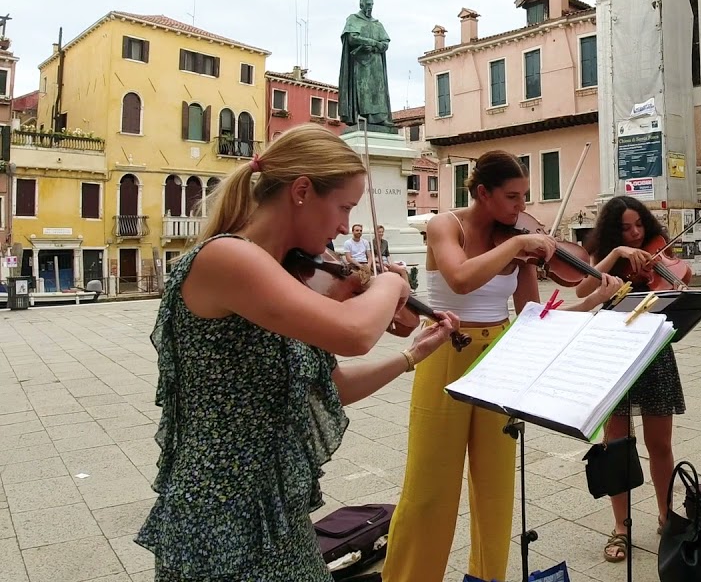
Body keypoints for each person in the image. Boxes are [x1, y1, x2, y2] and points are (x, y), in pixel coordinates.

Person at [134, 124, 462, 582]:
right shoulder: (226, 258)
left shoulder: (284, 275)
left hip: (275, 511)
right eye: (344, 207)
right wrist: (390, 283)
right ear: (302, 191)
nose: (346, 227)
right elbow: (353, 333)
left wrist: (410, 357)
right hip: (217, 517)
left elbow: (331, 386)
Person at [381, 151, 624, 582]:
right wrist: (515, 245)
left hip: (500, 356)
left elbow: (533, 313)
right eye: (512, 197)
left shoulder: (517, 242)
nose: (521, 209)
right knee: (429, 490)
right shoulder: (445, 226)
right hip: (444, 355)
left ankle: (487, 577)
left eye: (524, 197)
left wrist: (592, 300)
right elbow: (459, 278)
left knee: (495, 490)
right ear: (481, 193)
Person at [575, 196, 699, 563]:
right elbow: (582, 290)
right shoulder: (606, 260)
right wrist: (617, 253)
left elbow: (673, 293)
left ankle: (666, 516)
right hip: (613, 355)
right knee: (617, 446)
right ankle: (622, 527)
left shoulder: (658, 259)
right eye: (627, 228)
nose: (636, 232)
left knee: (659, 444)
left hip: (655, 352)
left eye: (640, 226)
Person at [338, 0, 394, 131]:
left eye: (371, 4)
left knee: (378, 89)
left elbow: (385, 43)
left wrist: (375, 47)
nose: (370, 7)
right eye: (367, 4)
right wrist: (373, 42)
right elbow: (352, 38)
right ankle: (364, 116)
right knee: (364, 90)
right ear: (361, 5)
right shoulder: (353, 19)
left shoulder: (377, 24)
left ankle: (380, 118)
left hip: (376, 62)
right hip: (360, 62)